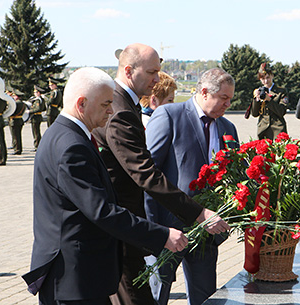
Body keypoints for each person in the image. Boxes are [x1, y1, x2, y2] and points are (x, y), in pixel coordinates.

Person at [22, 67, 191, 305]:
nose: (111, 111)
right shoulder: (72, 146)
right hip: (75, 279)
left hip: (78, 274)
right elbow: (102, 211)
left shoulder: (64, 135)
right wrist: (161, 235)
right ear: (81, 104)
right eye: (105, 104)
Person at [92, 43, 230, 305]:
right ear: (130, 71)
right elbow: (145, 172)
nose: (158, 79)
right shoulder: (120, 108)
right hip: (131, 226)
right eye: (152, 71)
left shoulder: (124, 103)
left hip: (137, 228)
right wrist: (198, 213)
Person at [145, 68, 239, 305]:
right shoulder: (170, 114)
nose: (228, 104)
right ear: (205, 92)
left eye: (230, 99)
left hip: (207, 231)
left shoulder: (228, 128)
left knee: (205, 296)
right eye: (224, 98)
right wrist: (152, 228)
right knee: (156, 296)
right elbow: (148, 173)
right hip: (169, 228)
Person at [250, 62, 288, 140]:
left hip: (277, 129)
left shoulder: (281, 91)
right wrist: (256, 100)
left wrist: (269, 100)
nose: (266, 81)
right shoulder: (259, 92)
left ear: (272, 76)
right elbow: (254, 114)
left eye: (268, 78)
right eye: (263, 79)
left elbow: (281, 112)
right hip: (263, 130)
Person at [28, 85, 47, 150]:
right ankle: (37, 144)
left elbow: (38, 109)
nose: (34, 93)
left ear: (39, 93)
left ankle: (37, 145)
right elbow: (44, 108)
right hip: (38, 116)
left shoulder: (38, 100)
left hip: (36, 117)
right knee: (36, 132)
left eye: (35, 92)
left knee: (36, 132)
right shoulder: (41, 99)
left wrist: (30, 111)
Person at [9, 89, 27, 155]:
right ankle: (18, 148)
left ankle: (17, 150)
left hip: (15, 121)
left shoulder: (16, 103)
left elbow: (11, 112)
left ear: (17, 96)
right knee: (18, 136)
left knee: (15, 136)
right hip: (19, 120)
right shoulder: (22, 103)